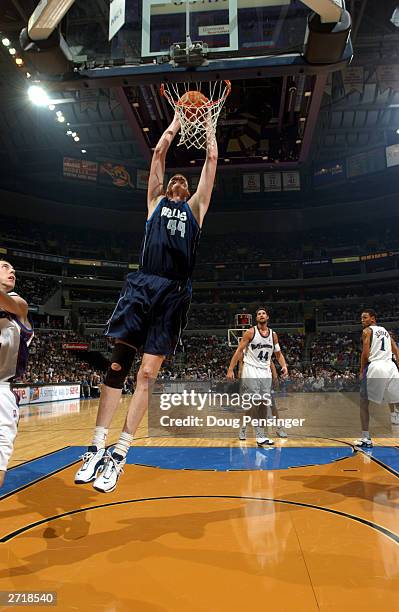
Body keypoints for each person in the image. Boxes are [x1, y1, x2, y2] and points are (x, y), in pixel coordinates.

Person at [75, 113, 218, 492]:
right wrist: (175, 121)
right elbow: (158, 153)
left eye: (183, 181)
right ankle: (95, 446)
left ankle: (120, 454)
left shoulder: (197, 209)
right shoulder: (154, 202)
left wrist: (208, 131)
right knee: (119, 366)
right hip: (143, 285)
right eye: (174, 178)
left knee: (148, 374)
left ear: (188, 192)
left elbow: (211, 163)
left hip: (174, 292)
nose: (178, 180)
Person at [227, 308, 288, 446]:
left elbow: (278, 354)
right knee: (256, 401)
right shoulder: (250, 332)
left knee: (264, 403)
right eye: (259, 314)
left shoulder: (273, 335)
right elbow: (239, 351)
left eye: (263, 313)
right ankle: (260, 434)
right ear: (256, 318)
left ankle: (251, 430)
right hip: (251, 368)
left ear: (268, 317)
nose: (261, 315)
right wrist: (231, 368)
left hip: (265, 370)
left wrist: (284, 366)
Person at [0, 260, 33, 488]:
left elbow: (11, 305)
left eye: (13, 267)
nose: (12, 270)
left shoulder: (19, 303)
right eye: (4, 267)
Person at [356, 309, 399, 448]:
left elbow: (365, 353)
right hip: (391, 367)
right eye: (361, 318)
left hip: (376, 367)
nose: (362, 320)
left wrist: (362, 370)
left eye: (365, 317)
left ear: (372, 319)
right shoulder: (386, 331)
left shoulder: (367, 331)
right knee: (397, 401)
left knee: (363, 404)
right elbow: (396, 351)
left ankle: (366, 438)